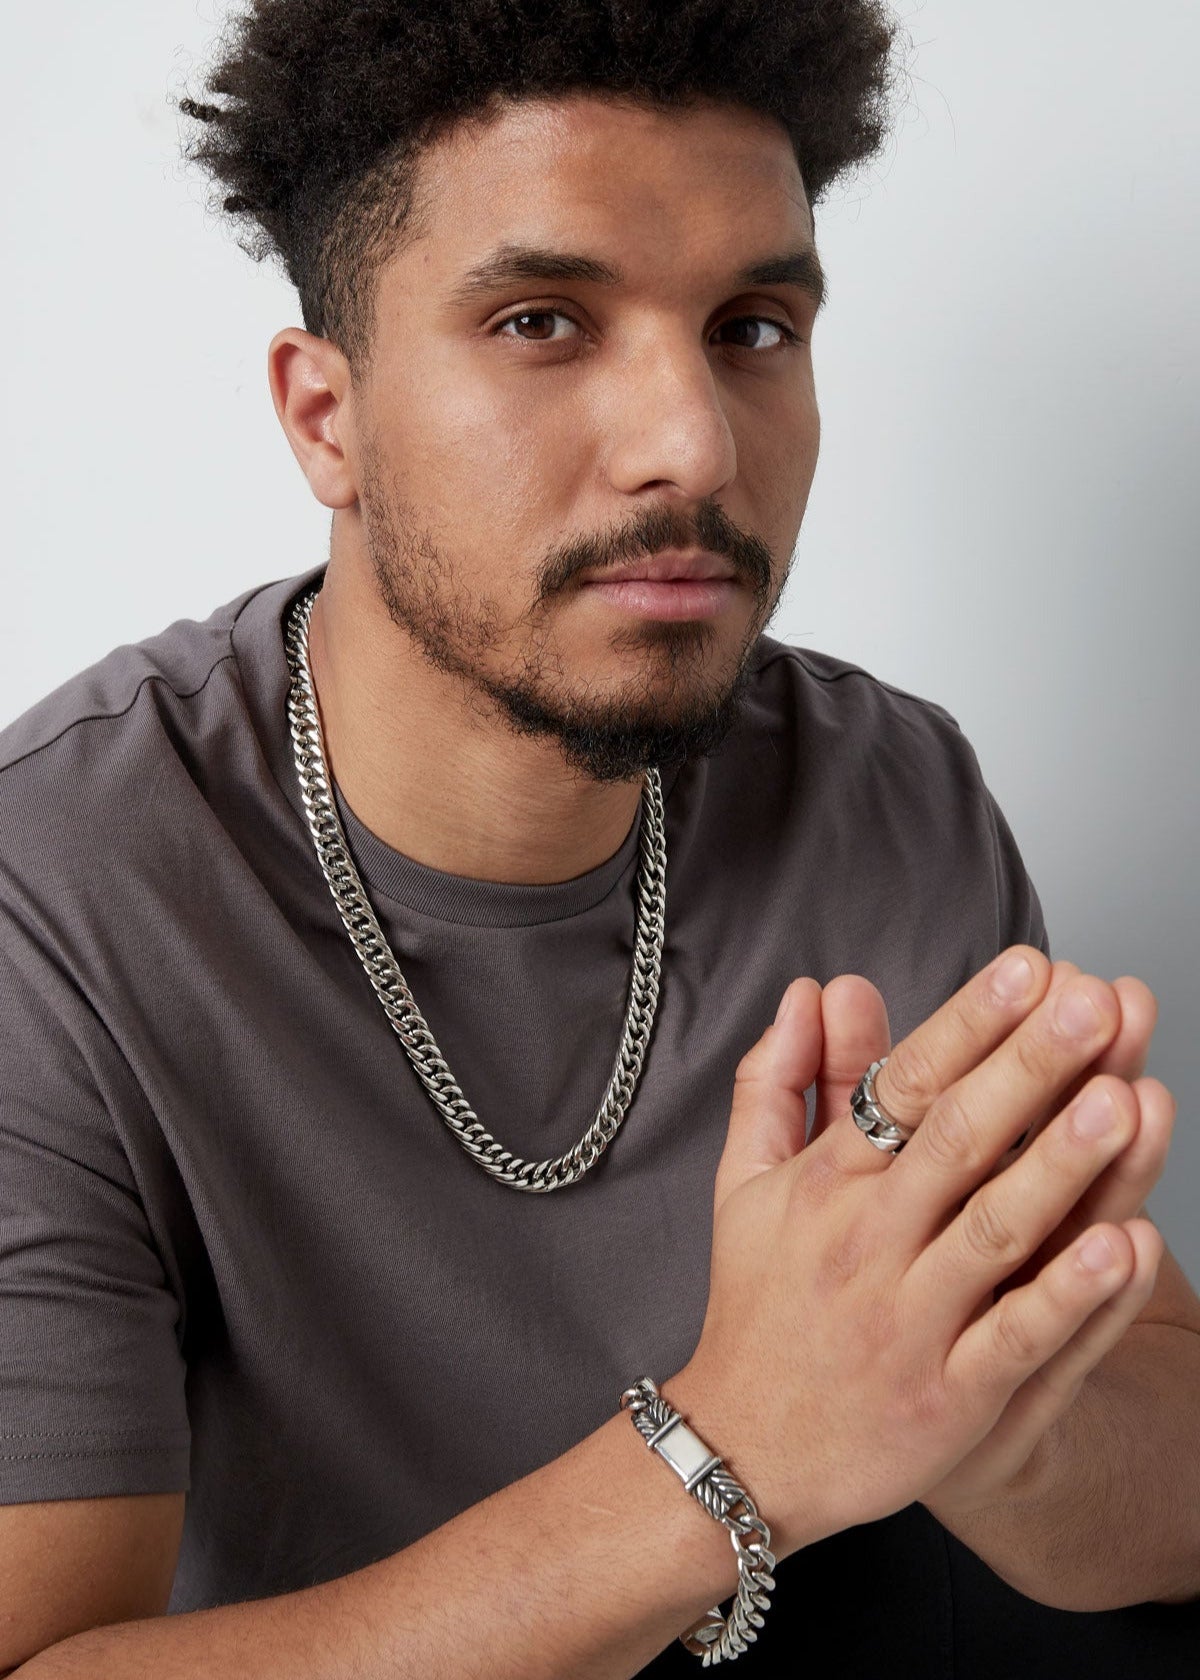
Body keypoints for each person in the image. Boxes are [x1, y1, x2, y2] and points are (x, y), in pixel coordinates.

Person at [1, 2, 1198, 1675]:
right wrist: (740, 1447)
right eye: (543, 322)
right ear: (327, 417)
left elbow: (1170, 1478)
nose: (692, 445)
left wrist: (980, 1407)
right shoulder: (51, 899)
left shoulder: (889, 789)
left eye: (753, 328)